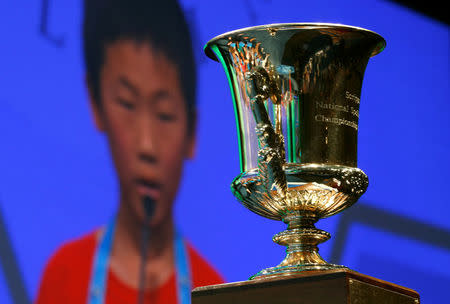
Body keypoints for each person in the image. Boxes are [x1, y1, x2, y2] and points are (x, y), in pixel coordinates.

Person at [35, 0, 224, 303]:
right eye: (126, 103)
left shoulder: (212, 291)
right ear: (95, 102)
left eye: (165, 114)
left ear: (192, 132)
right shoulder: (63, 274)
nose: (146, 145)